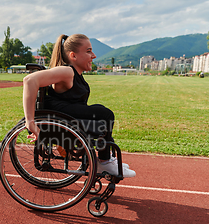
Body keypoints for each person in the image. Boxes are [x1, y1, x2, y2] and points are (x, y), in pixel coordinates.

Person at [22, 34, 136, 178]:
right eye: (88, 51)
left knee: (102, 112)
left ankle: (106, 159)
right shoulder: (67, 71)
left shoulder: (75, 74)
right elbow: (29, 80)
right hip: (59, 120)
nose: (93, 55)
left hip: (66, 118)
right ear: (73, 56)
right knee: (105, 114)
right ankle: (105, 161)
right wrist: (29, 121)